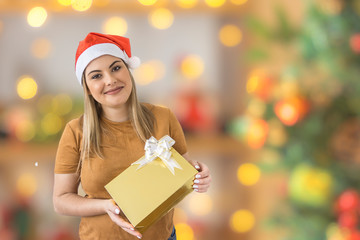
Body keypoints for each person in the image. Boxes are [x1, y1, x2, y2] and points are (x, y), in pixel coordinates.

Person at [53, 32, 211, 240]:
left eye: (116, 68)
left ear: (128, 71)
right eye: (96, 75)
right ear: (88, 89)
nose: (110, 80)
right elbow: (61, 200)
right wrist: (106, 206)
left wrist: (200, 175)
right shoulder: (76, 132)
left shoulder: (164, 118)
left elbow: (182, 171)